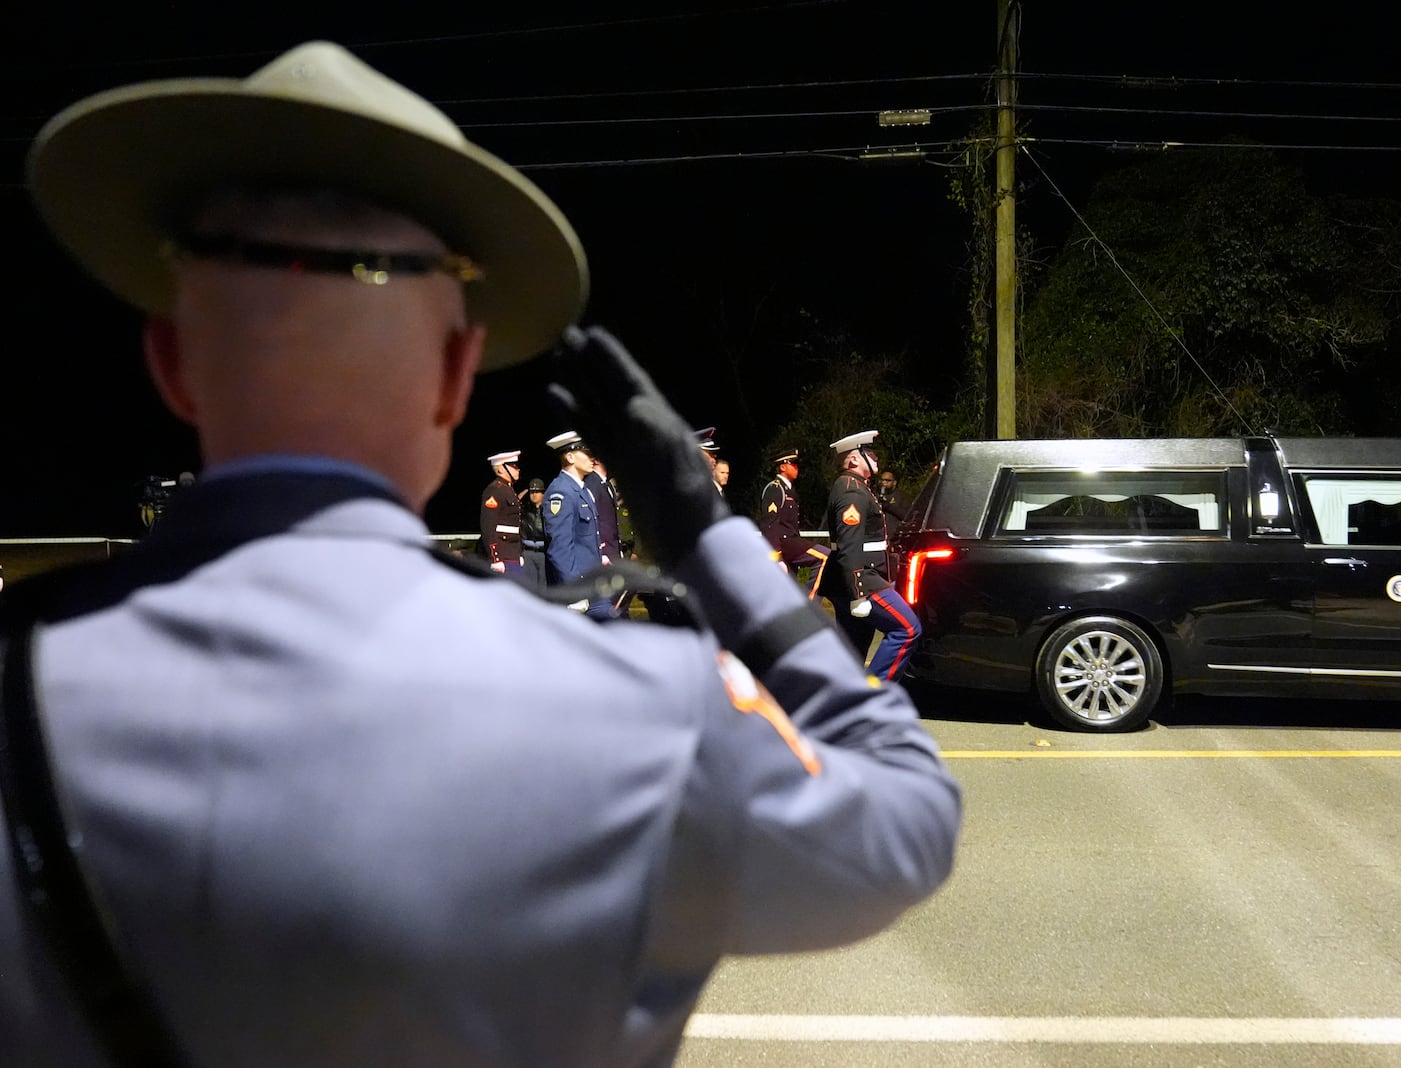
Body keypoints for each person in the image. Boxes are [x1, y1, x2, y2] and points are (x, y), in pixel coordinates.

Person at [1, 42, 959, 1068]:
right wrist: (708, 546)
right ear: (458, 374)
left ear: (170, 364)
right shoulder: (639, 706)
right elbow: (909, 822)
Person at [824, 430, 922, 681]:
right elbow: (849, 544)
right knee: (907, 629)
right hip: (863, 578)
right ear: (854, 459)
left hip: (858, 577)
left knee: (854, 648)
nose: (877, 459)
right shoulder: (852, 491)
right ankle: (874, 694)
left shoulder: (856, 487)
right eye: (871, 454)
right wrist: (858, 593)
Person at [541, 430, 611, 619]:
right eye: (587, 454)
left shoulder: (581, 490)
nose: (592, 458)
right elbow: (560, 547)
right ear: (570, 457)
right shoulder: (561, 493)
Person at [759, 446, 831, 600]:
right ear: (783, 466)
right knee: (826, 557)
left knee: (786, 595)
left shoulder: (790, 490)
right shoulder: (775, 489)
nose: (796, 467)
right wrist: (776, 557)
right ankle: (810, 605)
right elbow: (769, 524)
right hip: (785, 543)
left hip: (792, 542)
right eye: (793, 464)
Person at [480, 449, 524, 573]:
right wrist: (496, 558)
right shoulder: (495, 490)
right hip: (503, 557)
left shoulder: (508, 490)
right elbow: (488, 526)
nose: (517, 469)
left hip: (512, 554)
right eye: (513, 466)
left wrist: (518, 554)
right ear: (500, 469)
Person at [877, 467, 909, 544]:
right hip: (878, 538)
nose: (884, 482)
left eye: (888, 480)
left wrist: (888, 505)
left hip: (894, 539)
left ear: (894, 482)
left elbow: (906, 516)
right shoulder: (874, 496)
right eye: (882, 480)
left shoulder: (901, 497)